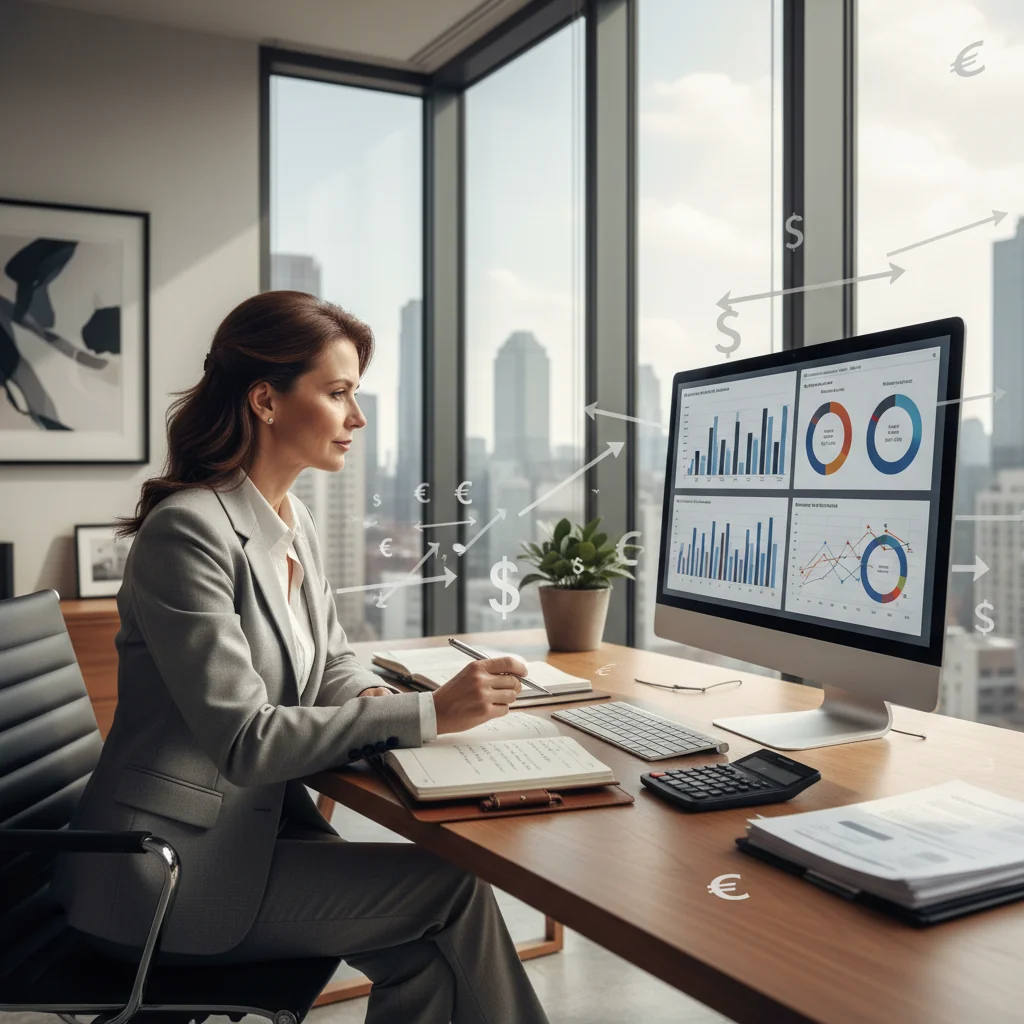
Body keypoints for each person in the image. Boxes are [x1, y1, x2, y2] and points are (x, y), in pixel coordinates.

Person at [50, 291, 550, 1024]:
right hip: (162, 872)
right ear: (266, 400)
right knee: (450, 890)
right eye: (338, 393)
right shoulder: (187, 533)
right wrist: (429, 713)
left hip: (247, 837)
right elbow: (245, 739)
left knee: (425, 946)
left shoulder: (291, 518)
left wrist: (376, 700)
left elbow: (330, 660)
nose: (358, 417)